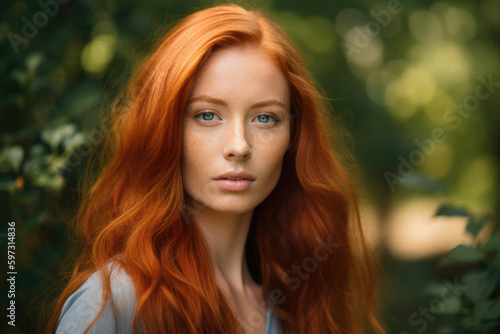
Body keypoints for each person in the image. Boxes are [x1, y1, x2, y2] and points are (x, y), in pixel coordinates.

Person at [46, 3, 386, 334]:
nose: (239, 146)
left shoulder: (295, 304)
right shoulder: (115, 303)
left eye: (265, 118)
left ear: (293, 138)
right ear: (165, 130)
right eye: (207, 115)